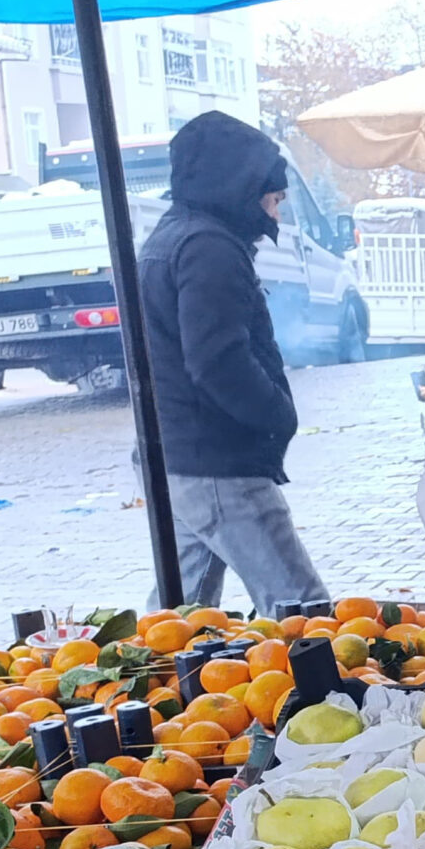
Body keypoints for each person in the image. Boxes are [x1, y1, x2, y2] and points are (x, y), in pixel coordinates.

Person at [140, 111, 329, 612]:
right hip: (218, 463)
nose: (276, 215)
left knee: (178, 622)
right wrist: (277, 415)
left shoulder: (174, 236)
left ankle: (147, 686)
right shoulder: (208, 247)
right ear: (243, 188)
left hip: (181, 459)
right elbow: (217, 360)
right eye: (274, 199)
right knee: (304, 614)